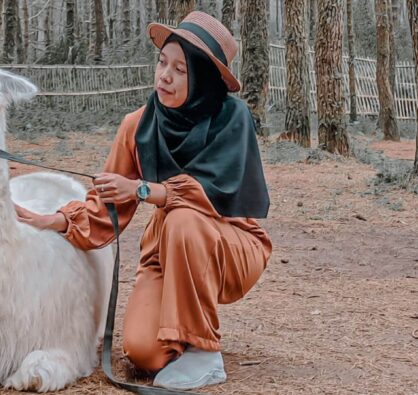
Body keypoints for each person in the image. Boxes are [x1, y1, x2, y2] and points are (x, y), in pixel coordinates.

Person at [14, 11, 272, 391]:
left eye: (181, 70)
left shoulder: (231, 118)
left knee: (183, 219)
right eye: (162, 62)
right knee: (143, 354)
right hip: (167, 248)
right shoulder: (136, 126)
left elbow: (211, 194)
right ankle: (182, 325)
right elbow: (105, 208)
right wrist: (55, 219)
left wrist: (142, 190)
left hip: (230, 242)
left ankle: (203, 353)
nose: (164, 76)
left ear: (203, 78)